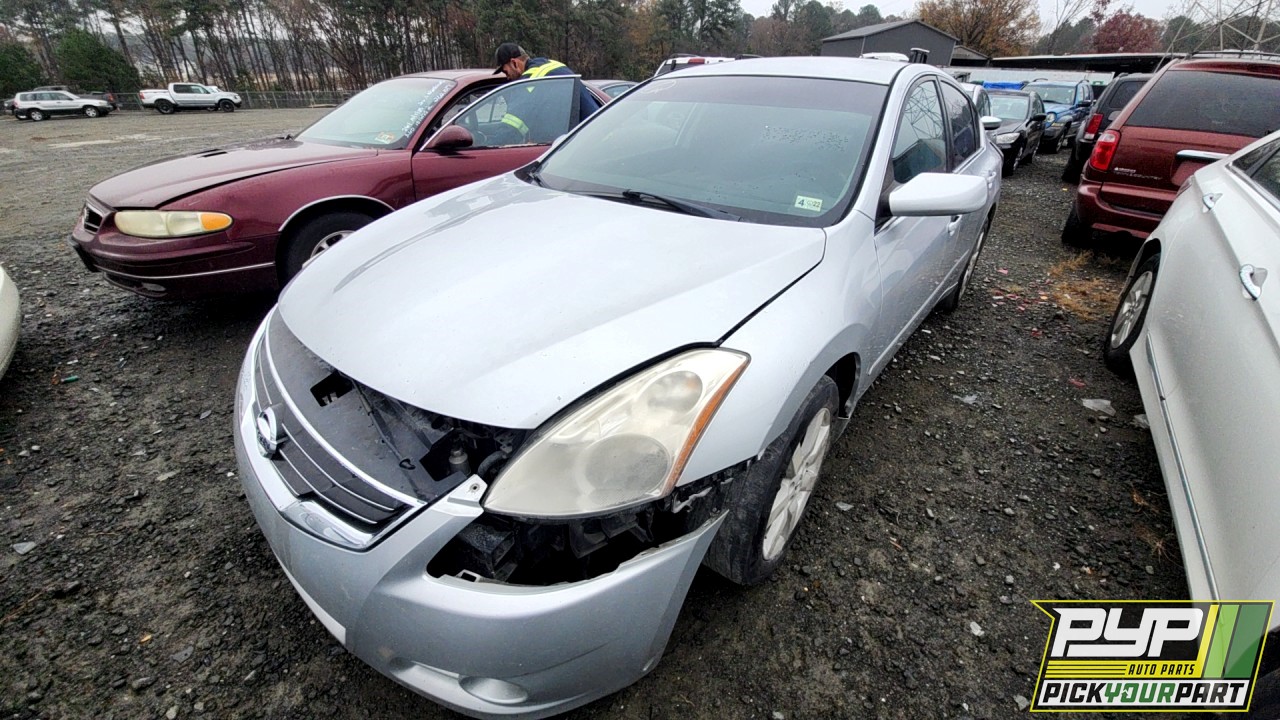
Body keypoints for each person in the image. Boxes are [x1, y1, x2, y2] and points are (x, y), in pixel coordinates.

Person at [493, 42, 602, 140]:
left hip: (582, 138)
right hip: (596, 129)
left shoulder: (530, 80)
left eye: (506, 72)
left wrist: (491, 142)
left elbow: (512, 125)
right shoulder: (553, 66)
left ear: (514, 63)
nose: (507, 77)